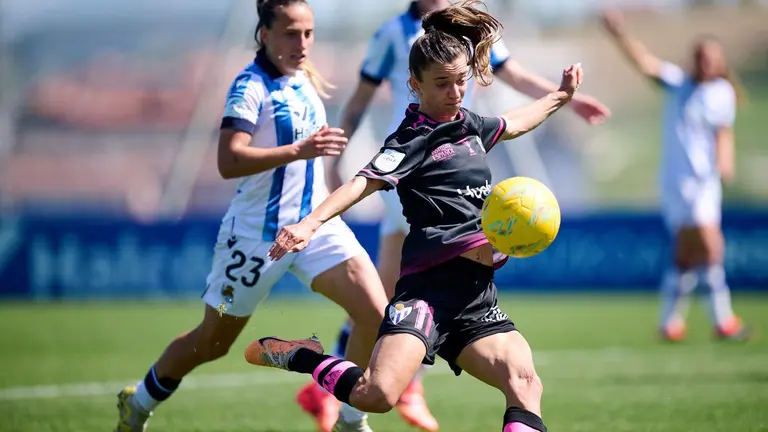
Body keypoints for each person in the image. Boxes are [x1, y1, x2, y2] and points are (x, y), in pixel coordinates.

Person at [246, 2, 584, 432]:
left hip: (477, 298)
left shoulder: (470, 125)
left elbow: (514, 122)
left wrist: (559, 97)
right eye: (442, 84)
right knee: (377, 395)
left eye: (461, 81)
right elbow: (361, 183)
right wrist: (310, 223)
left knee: (525, 383)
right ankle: (302, 354)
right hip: (426, 295)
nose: (455, 92)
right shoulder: (412, 139)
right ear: (415, 85)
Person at [114, 1, 390, 430]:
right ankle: (139, 402)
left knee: (376, 313)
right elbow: (229, 160)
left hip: (315, 226)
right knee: (212, 343)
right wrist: (300, 150)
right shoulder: (249, 87)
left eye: (309, 33)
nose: (302, 43)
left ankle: (350, 421)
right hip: (255, 238)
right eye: (291, 33)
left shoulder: (302, 77)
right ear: (264, 33)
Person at [602, 11, 750, 342]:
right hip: (680, 183)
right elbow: (644, 63)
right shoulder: (678, 83)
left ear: (720, 62)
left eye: (711, 58)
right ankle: (722, 321)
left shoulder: (723, 93)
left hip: (706, 182)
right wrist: (620, 34)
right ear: (693, 60)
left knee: (685, 258)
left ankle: (671, 323)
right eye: (700, 57)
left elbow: (724, 133)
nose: (705, 63)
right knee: (711, 249)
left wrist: (726, 163)